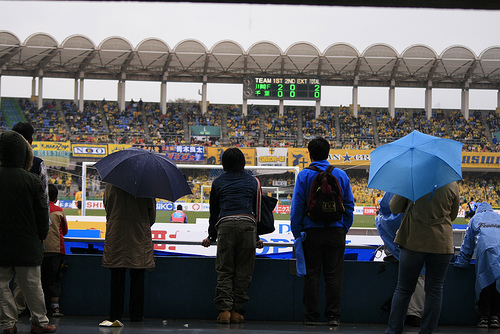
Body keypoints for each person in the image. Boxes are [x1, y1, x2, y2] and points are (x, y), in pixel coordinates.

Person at [290, 136, 355, 326]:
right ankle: (333, 316)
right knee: (334, 275)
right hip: (335, 232)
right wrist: (343, 228)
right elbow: (349, 205)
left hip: (311, 232)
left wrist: (297, 233)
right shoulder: (341, 175)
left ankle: (311, 316)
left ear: (309, 154)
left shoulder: (304, 175)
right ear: (328, 152)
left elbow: (297, 207)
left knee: (312, 276)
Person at [0, 130, 57, 333]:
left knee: (1, 286)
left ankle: (8, 324)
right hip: (28, 243)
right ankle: (40, 322)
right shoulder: (32, 180)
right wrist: (41, 235)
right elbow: (43, 213)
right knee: (33, 286)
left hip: (2, 244)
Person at [386, 181, 460, 334]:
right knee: (435, 290)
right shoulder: (451, 184)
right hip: (441, 242)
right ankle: (427, 331)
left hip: (413, 240)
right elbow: (452, 215)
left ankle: (394, 330)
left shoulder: (411, 180)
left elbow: (394, 207)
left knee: (404, 289)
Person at [201, 148, 264, 324]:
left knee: (224, 270)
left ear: (224, 163)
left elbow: (214, 213)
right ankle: (237, 311)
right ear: (243, 162)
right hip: (248, 226)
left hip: (225, 226)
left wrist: (211, 236)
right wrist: (257, 237)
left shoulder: (218, 182)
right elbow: (258, 212)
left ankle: (224, 311)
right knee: (244, 272)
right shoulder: (254, 181)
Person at [102, 183, 156, 322]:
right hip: (138, 234)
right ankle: (137, 315)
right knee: (138, 276)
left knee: (116, 277)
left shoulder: (111, 184)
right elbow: (152, 216)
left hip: (116, 233)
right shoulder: (146, 185)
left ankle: (114, 314)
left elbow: (107, 207)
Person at [12, 122, 51, 315]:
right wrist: (43, 230)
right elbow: (44, 201)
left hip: (6, 228)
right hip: (30, 232)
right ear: (31, 140)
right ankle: (23, 313)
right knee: (29, 278)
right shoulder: (37, 164)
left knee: (3, 277)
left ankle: (8, 319)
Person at [375, 192, 425, 327]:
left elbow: (390, 207)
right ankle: (417, 315)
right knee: (426, 279)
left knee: (405, 284)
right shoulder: (438, 186)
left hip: (404, 236)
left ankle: (397, 321)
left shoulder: (398, 186)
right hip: (427, 239)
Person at [454, 202, 500, 329]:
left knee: (484, 282)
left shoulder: (475, 219)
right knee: (497, 283)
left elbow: (467, 245)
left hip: (485, 253)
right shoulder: (498, 218)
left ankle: (484, 317)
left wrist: (461, 262)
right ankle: (495, 317)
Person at [42, 184, 69, 317]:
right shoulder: (59, 210)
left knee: (39, 280)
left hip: (40, 250)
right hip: (56, 250)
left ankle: (40, 309)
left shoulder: (40, 209)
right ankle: (55, 307)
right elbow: (65, 231)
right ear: (56, 198)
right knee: (54, 278)